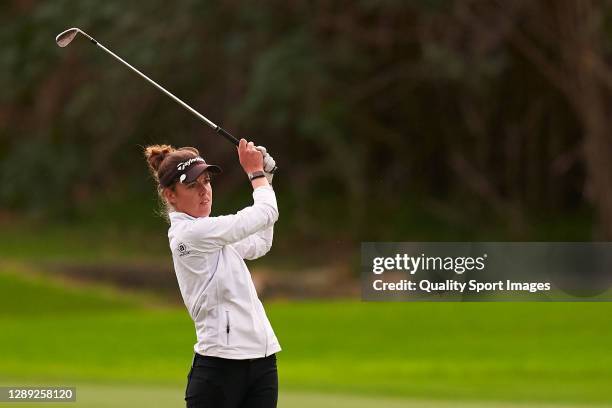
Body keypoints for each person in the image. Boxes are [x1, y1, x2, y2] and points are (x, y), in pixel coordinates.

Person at [144, 139, 280, 408]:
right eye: (192, 186)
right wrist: (256, 174)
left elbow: (259, 243)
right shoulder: (191, 234)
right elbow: (266, 212)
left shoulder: (210, 231)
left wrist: (267, 180)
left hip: (262, 359)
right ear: (171, 195)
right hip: (220, 367)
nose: (204, 191)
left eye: (206, 181)